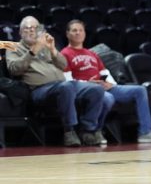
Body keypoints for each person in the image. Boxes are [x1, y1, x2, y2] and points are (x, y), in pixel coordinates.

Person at [60, 20, 151, 144]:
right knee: (108, 98)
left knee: (140, 90)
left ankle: (145, 133)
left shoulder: (92, 54)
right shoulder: (64, 54)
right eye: (74, 30)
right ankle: (94, 131)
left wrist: (110, 83)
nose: (78, 33)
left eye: (81, 30)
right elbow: (68, 80)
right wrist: (88, 84)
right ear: (67, 34)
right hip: (86, 89)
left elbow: (104, 72)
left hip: (104, 86)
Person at [6, 16, 104, 147]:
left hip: (62, 85)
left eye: (34, 28)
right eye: (26, 28)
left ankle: (88, 129)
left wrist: (52, 49)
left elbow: (63, 65)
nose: (30, 31)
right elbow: (14, 69)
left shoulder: (46, 47)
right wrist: (33, 51)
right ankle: (69, 131)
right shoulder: (13, 47)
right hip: (39, 90)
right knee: (67, 86)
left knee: (96, 89)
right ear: (20, 32)